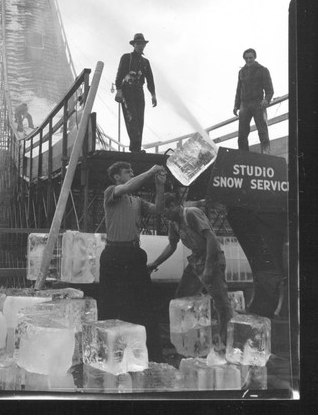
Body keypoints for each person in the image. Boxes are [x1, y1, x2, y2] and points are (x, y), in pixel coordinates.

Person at [99, 161, 167, 361]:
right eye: (126, 171)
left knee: (143, 306)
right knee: (110, 306)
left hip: (133, 254)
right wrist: (151, 170)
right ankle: (107, 354)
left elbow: (159, 209)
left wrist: (160, 186)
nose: (131, 172)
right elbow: (129, 186)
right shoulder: (112, 191)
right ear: (117, 177)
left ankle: (151, 355)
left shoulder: (136, 201)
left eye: (132, 170)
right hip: (114, 254)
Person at [147, 193, 233, 350]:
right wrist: (154, 264)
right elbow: (171, 245)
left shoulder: (191, 213)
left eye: (165, 211)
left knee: (221, 303)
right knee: (181, 298)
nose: (164, 216)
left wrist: (208, 268)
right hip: (196, 260)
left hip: (211, 258)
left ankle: (225, 344)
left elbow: (211, 239)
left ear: (173, 206)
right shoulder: (173, 223)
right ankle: (188, 339)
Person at [114, 33, 157, 153]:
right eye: (138, 44)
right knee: (131, 118)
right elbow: (120, 74)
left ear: (144, 45)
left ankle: (136, 148)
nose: (140, 46)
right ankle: (135, 149)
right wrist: (118, 90)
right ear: (134, 45)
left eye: (142, 44)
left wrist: (153, 94)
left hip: (139, 91)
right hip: (127, 90)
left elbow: (150, 79)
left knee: (139, 119)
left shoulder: (145, 62)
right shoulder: (126, 57)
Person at [233, 48, 274, 154]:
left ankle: (266, 154)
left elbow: (269, 89)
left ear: (255, 57)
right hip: (244, 105)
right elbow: (238, 90)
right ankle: (243, 155)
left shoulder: (262, 70)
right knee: (242, 133)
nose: (248, 60)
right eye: (246, 58)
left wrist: (266, 100)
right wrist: (236, 105)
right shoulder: (241, 72)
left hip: (258, 104)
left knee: (262, 131)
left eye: (250, 58)